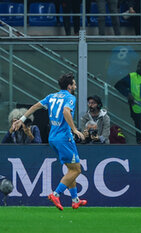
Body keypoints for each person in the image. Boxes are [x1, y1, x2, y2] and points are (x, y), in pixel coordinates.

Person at [12, 73, 87, 211]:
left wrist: (21, 120)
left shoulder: (51, 96)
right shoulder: (70, 97)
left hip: (53, 138)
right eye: (74, 84)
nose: (75, 86)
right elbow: (66, 111)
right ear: (69, 86)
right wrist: (75, 130)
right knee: (76, 170)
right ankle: (56, 193)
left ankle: (75, 200)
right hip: (64, 138)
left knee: (71, 169)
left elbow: (35, 106)